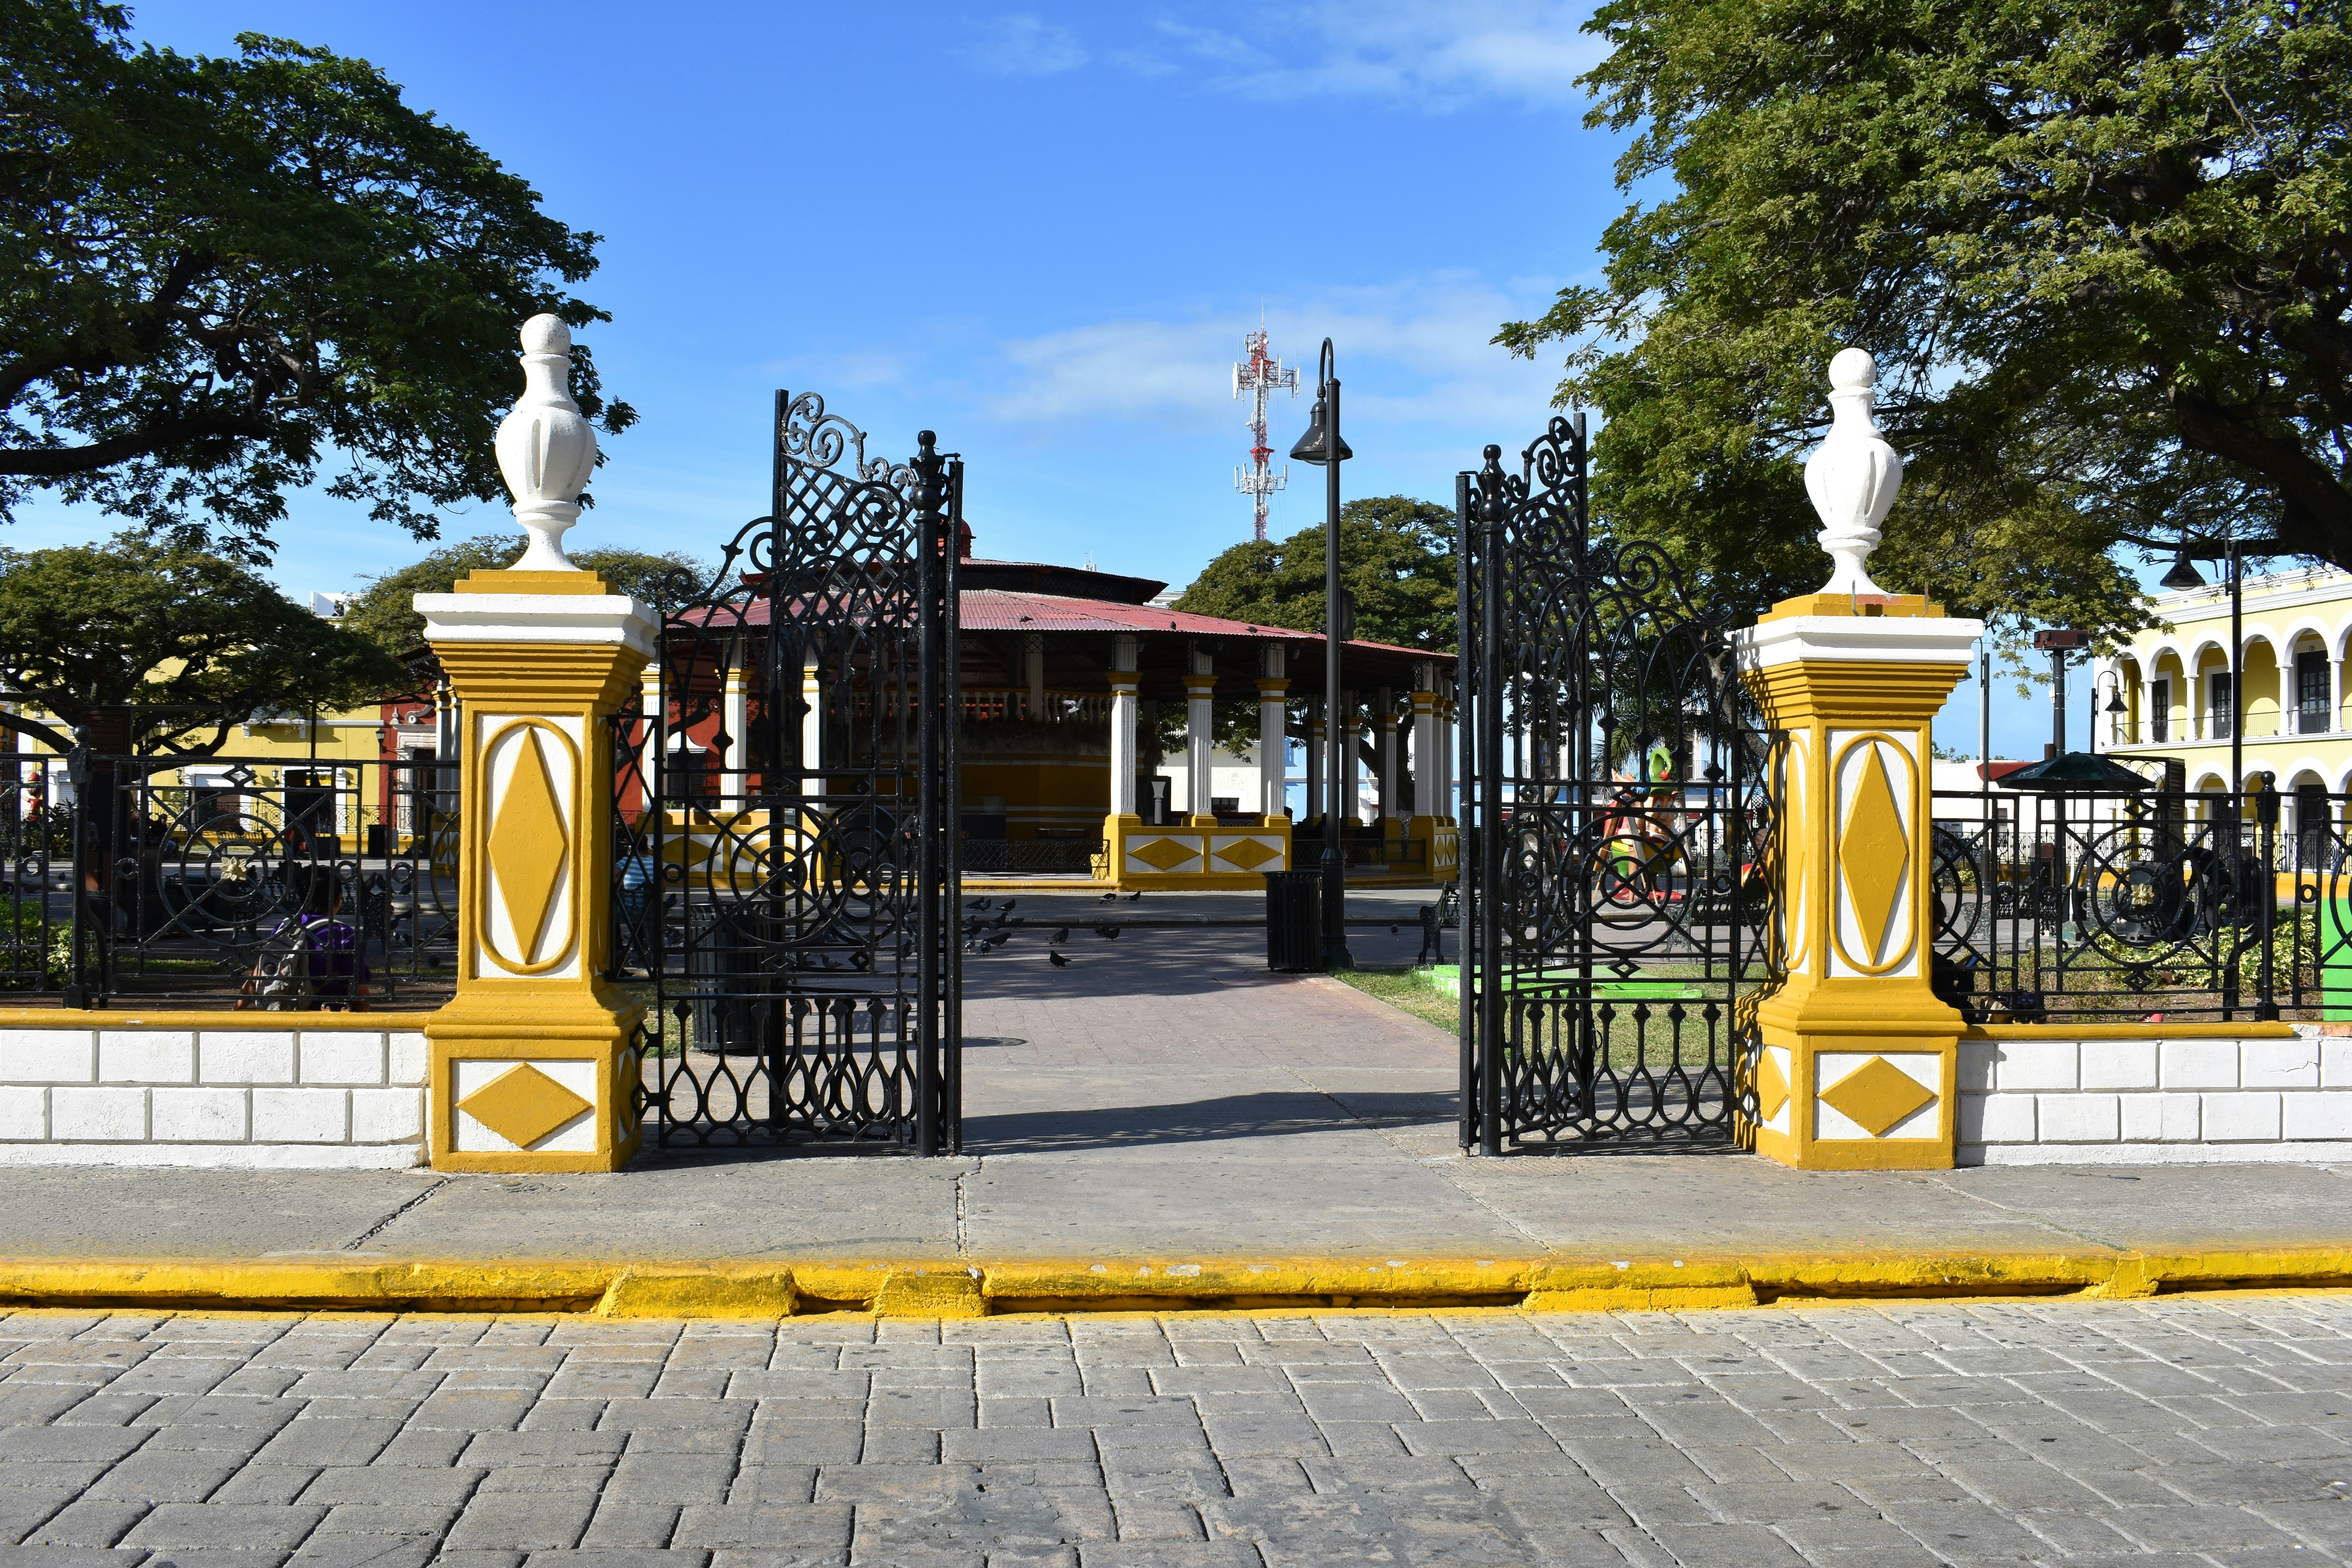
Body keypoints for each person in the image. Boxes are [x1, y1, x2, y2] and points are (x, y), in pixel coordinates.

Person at [236, 864, 372, 1011]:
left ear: (301, 897)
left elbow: (257, 976)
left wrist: (235, 1011)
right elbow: (357, 988)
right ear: (339, 898)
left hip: (286, 1011)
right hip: (328, 1013)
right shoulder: (342, 933)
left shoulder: (284, 928)